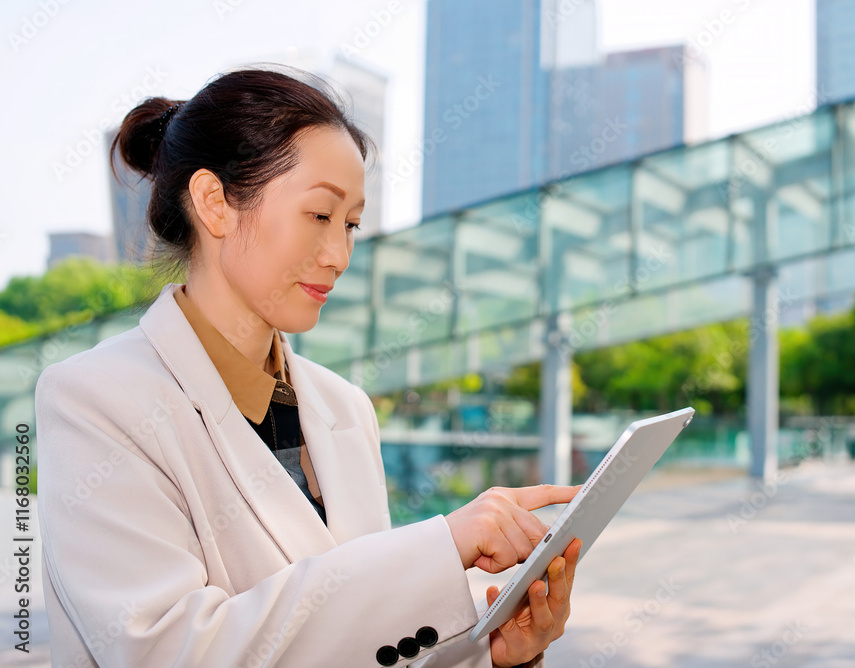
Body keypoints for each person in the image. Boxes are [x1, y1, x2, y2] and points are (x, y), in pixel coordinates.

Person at [35, 64, 582, 668]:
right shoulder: (93, 399)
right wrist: (441, 546)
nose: (339, 254)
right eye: (320, 216)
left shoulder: (344, 406)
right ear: (215, 204)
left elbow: (360, 638)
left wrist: (495, 655)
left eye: (350, 224)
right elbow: (167, 651)